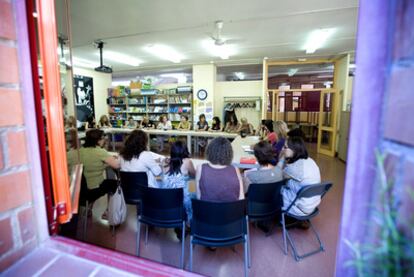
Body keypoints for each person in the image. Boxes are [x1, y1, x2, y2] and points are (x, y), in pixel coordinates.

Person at [67, 129, 120, 219]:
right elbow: (116, 165)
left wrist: (104, 164)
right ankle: (108, 212)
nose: (105, 140)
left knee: (92, 184)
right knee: (115, 185)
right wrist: (115, 159)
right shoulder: (99, 152)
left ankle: (88, 209)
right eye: (104, 138)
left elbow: (88, 165)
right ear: (98, 140)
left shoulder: (74, 153)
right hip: (93, 190)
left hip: (77, 191)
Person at [244, 140, 283, 233]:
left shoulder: (250, 176)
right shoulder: (279, 172)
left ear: (256, 157)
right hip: (274, 207)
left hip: (254, 210)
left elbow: (245, 194)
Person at [278, 136, 321, 218]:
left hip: (299, 208)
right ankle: (303, 221)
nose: (283, 149)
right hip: (311, 204)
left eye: (285, 147)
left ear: (293, 150)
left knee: (273, 189)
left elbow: (277, 174)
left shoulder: (294, 167)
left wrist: (282, 156)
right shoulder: (310, 161)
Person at [196, 137, 244, 201]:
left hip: (207, 209)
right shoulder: (235, 169)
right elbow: (241, 198)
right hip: (231, 210)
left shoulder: (201, 168)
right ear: (229, 153)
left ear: (209, 151)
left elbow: (199, 197)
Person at [158, 141, 195, 221]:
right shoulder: (187, 162)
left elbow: (159, 179)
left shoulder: (166, 163)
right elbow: (194, 175)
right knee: (192, 182)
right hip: (183, 199)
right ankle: (190, 218)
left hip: (167, 198)